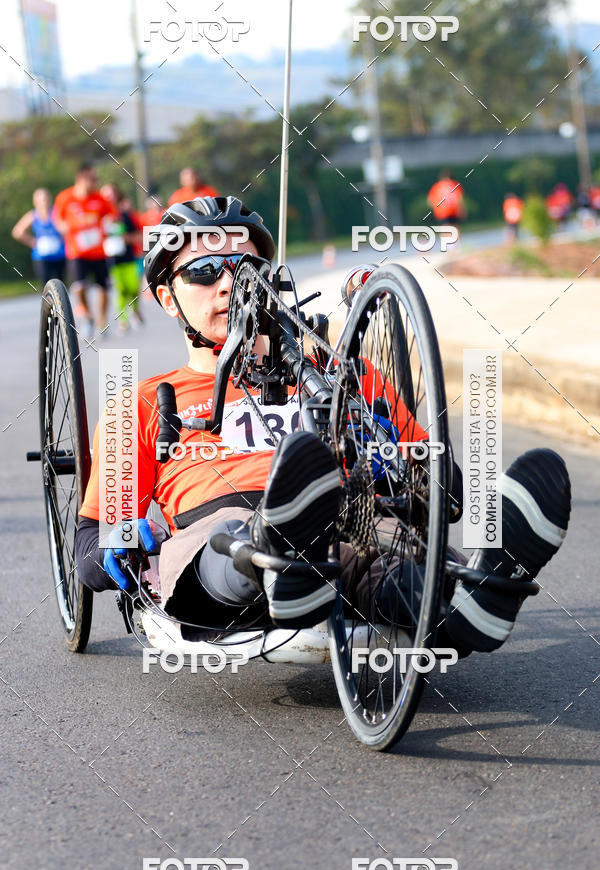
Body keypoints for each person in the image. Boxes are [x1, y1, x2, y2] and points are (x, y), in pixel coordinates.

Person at [75, 196, 571, 656]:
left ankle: (468, 603)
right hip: (215, 529)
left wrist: (394, 458)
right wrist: (117, 543)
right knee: (236, 536)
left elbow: (449, 494)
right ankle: (282, 557)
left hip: (347, 513)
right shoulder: (137, 402)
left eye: (245, 268)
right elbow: (90, 550)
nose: (228, 284)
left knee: (379, 549)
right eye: (204, 272)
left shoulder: (340, 373)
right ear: (167, 297)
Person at [53, 162, 116, 338]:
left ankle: (102, 322)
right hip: (77, 251)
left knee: (103, 287)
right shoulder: (65, 197)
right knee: (79, 287)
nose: (96, 182)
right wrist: (66, 227)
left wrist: (108, 224)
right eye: (92, 179)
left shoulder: (99, 198)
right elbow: (58, 220)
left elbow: (112, 215)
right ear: (81, 179)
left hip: (98, 251)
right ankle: (88, 316)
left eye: (96, 179)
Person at [100, 183, 143, 333]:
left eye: (111, 194)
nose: (109, 198)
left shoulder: (125, 215)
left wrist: (126, 238)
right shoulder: (99, 218)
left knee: (133, 288)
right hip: (110, 261)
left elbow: (139, 235)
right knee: (120, 291)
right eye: (105, 195)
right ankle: (123, 320)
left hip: (128, 258)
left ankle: (135, 310)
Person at [11, 188, 66, 283]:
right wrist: (32, 242)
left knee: (60, 284)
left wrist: (63, 237)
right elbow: (17, 232)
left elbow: (67, 228)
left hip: (59, 255)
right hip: (41, 256)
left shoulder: (57, 213)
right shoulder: (33, 215)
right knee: (45, 284)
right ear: (35, 202)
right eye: (41, 200)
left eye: (46, 199)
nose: (44, 202)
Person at [427, 171, 466, 238]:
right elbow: (459, 198)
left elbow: (430, 201)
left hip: (441, 211)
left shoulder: (436, 186)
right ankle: (456, 245)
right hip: (453, 209)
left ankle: (447, 245)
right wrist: (462, 209)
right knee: (454, 227)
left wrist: (436, 207)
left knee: (444, 228)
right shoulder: (454, 184)